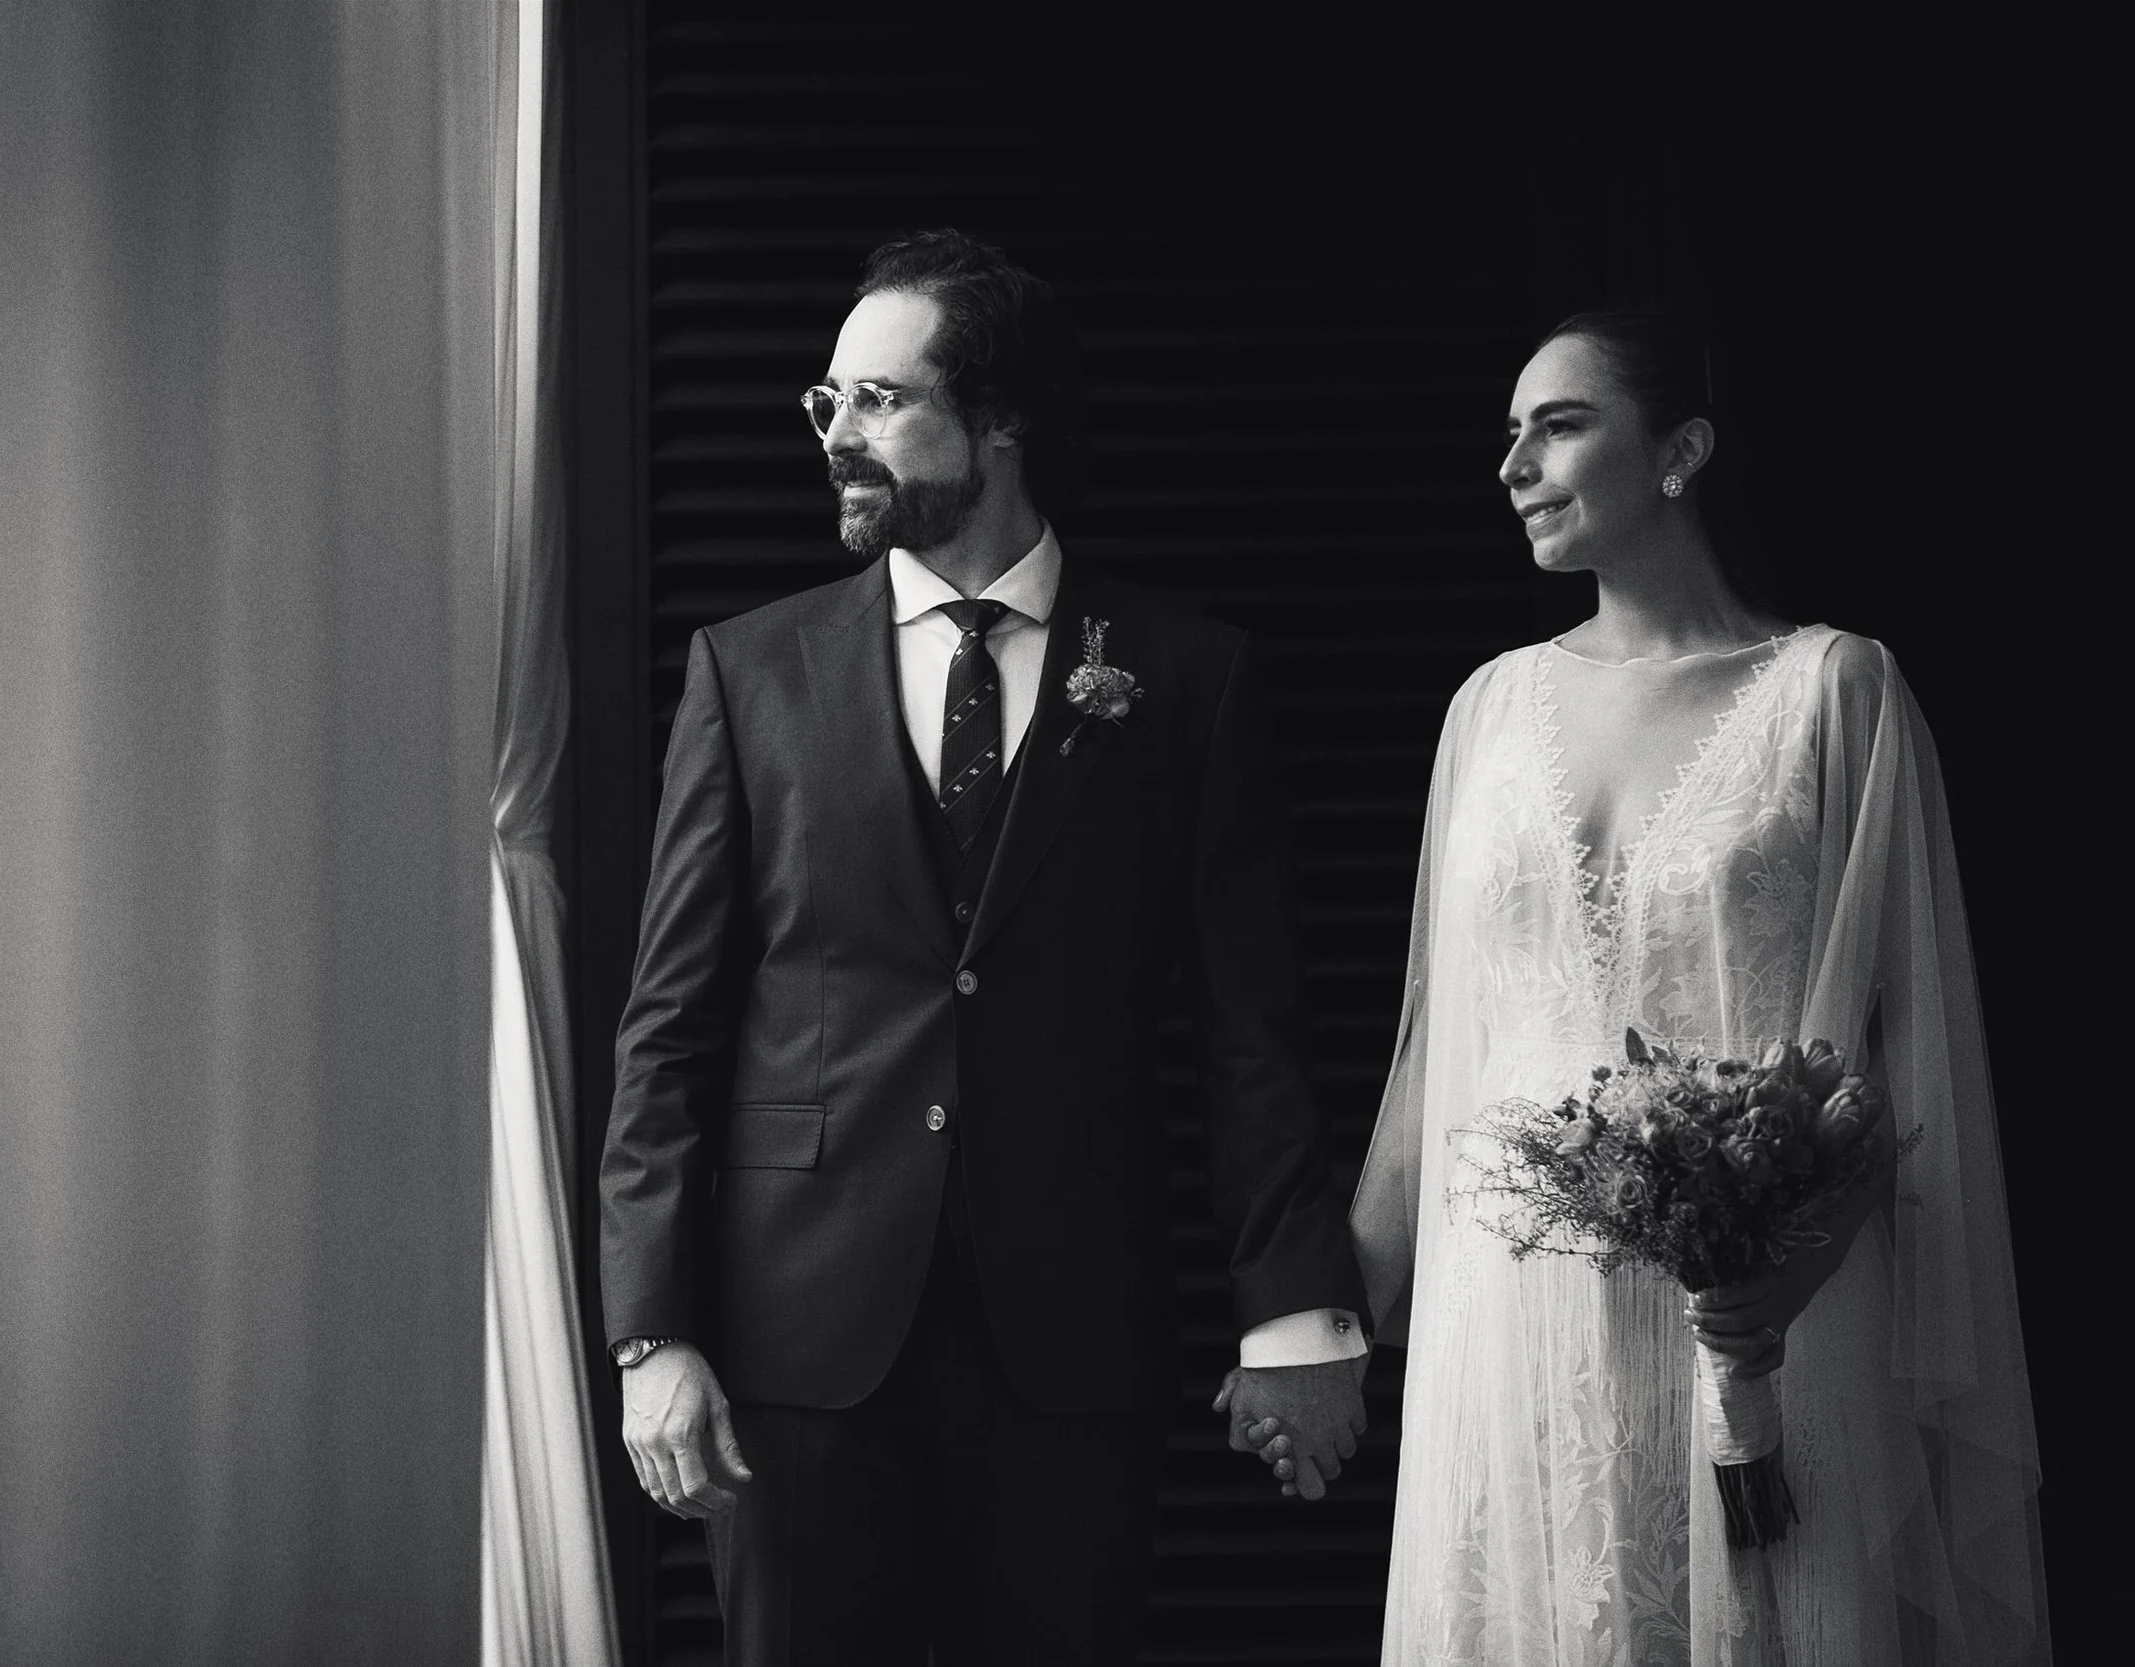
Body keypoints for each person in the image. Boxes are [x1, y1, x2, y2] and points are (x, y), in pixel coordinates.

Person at [598, 229, 1370, 1665]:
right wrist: (652, 1335)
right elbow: (670, 1027)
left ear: (1000, 420)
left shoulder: (1190, 676)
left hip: (1073, 1342)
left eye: (880, 400)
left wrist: (1297, 1310)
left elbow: (1249, 1026)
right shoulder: (746, 670)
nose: (839, 435)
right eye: (825, 402)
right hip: (794, 1351)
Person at [1351, 310, 2050, 1664]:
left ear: (1681, 450)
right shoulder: (1484, 709)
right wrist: (1320, 1325)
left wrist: (1789, 1271)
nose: (1513, 464)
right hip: (1510, 1330)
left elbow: (1906, 1064)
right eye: (1509, 433)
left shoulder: (1835, 695)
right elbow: (1437, 1055)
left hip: (1759, 1321)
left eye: (1557, 424)